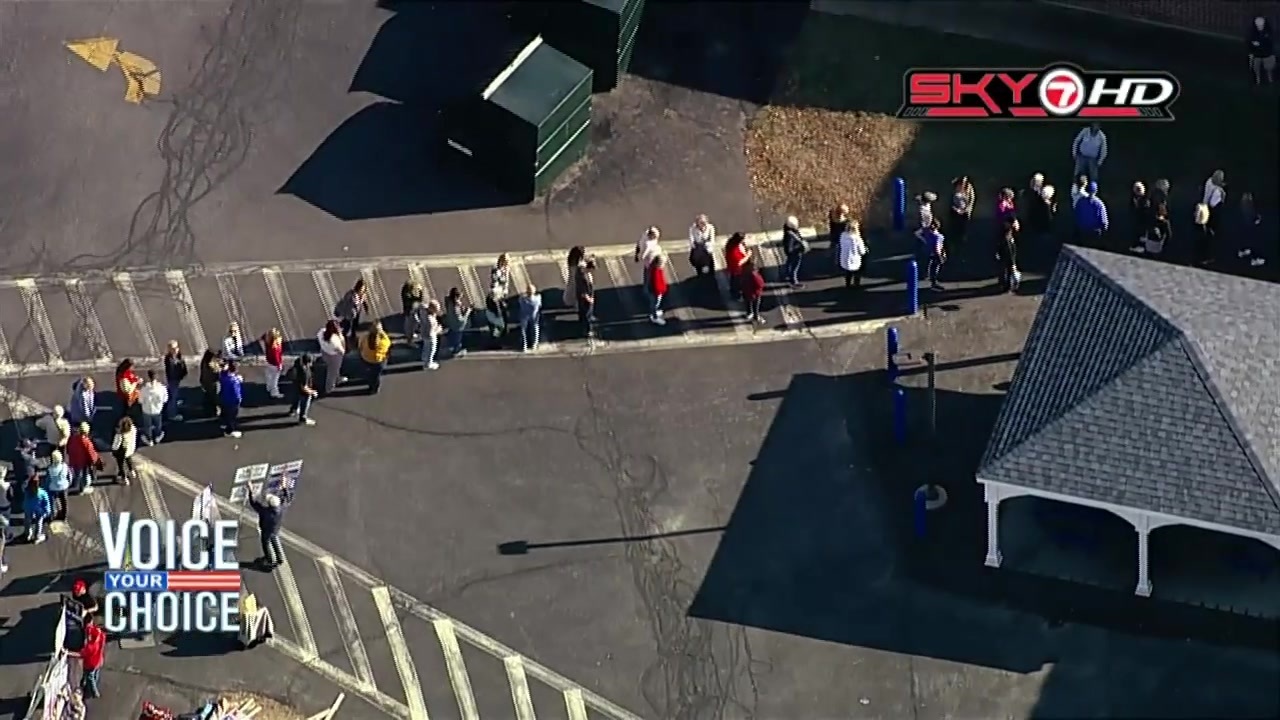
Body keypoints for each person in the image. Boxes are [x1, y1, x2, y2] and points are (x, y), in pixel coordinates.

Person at [68, 614, 107, 698]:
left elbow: (79, 654)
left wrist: (67, 653)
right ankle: (89, 686)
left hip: (90, 664)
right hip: (99, 660)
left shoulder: (90, 647)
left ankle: (94, 692)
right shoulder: (100, 634)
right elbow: (90, 628)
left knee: (90, 677)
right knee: (96, 674)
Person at [248, 491, 286, 570]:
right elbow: (285, 498)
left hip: (266, 531)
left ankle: (269, 559)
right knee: (274, 540)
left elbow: (254, 503)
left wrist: (251, 491)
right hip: (275, 529)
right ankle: (280, 558)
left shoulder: (265, 512)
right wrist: (284, 488)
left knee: (266, 545)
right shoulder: (281, 508)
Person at [67, 422, 100, 495]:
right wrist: (95, 461)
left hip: (74, 460)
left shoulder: (73, 438)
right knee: (84, 475)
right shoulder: (87, 442)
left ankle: (75, 483)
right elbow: (91, 453)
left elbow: (69, 448)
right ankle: (82, 489)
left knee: (77, 473)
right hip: (84, 462)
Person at [359, 322, 391, 393]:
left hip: (366, 358)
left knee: (370, 373)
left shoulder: (365, 338)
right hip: (378, 361)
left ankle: (370, 384)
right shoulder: (383, 342)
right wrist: (382, 333)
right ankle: (375, 388)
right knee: (376, 375)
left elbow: (360, 346)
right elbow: (388, 345)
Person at [1073, 181, 1109, 245]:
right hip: (1095, 231)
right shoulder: (1099, 203)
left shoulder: (1080, 202)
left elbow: (1076, 215)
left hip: (1082, 230)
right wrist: (1104, 230)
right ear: (1096, 191)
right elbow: (1103, 219)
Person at [316, 320, 346, 396]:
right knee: (332, 372)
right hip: (334, 356)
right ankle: (329, 388)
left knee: (334, 369)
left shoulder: (321, 332)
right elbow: (342, 351)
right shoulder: (334, 340)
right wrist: (341, 337)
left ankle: (338, 377)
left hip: (324, 352)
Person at [139, 370, 168, 445]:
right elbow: (165, 399)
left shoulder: (144, 389)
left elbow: (140, 400)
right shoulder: (162, 388)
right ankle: (158, 436)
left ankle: (149, 439)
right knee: (158, 424)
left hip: (147, 410)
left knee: (147, 425)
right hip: (157, 410)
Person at [837, 220, 869, 290]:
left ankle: (847, 284)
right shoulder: (857, 239)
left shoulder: (842, 235)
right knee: (857, 272)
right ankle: (856, 285)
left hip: (845, 258)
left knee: (848, 272)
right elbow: (862, 251)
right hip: (854, 259)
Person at [917, 217, 946, 291]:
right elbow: (937, 247)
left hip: (934, 253)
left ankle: (933, 282)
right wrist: (939, 255)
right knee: (935, 268)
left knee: (933, 268)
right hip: (936, 254)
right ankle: (934, 284)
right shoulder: (936, 236)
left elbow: (917, 233)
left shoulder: (930, 234)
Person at [288, 354, 317, 426]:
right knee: (305, 403)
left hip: (296, 386)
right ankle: (303, 418)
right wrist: (312, 392)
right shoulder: (305, 373)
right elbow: (304, 387)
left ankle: (293, 410)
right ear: (308, 363)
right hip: (303, 392)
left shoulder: (297, 364)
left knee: (296, 398)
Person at [219, 361, 244, 438]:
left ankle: (224, 424)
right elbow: (236, 393)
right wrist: (239, 399)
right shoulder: (234, 381)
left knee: (226, 413)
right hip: (232, 401)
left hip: (224, 398)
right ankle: (229, 431)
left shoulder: (224, 376)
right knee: (232, 416)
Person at [162, 340, 187, 422]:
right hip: (173, 380)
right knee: (172, 396)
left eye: (176, 347)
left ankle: (173, 405)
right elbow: (172, 372)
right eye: (173, 348)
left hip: (177, 379)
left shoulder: (177, 356)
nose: (176, 350)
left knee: (173, 394)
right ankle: (172, 414)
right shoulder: (169, 359)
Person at [948, 176, 974, 251]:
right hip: (955, 212)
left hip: (964, 213)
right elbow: (951, 203)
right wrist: (956, 209)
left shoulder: (969, 190)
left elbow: (971, 202)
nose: (962, 184)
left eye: (964, 183)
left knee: (963, 228)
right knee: (955, 227)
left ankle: (962, 241)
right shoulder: (955, 190)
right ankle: (954, 243)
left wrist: (966, 210)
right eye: (961, 182)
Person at [443, 288, 470, 358]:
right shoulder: (456, 306)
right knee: (457, 338)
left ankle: (451, 348)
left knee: (453, 336)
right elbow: (459, 319)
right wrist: (468, 312)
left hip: (450, 322)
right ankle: (456, 351)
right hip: (457, 325)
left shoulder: (449, 302)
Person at [44, 449, 71, 522]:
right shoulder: (64, 466)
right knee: (64, 502)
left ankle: (52, 516)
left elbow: (47, 480)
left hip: (54, 487)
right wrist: (68, 483)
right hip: (64, 486)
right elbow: (69, 476)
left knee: (52, 502)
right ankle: (64, 516)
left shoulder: (50, 469)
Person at [111, 416, 138, 485]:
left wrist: (113, 450)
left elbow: (116, 445)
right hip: (130, 449)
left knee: (121, 465)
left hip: (121, 451)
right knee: (129, 460)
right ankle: (132, 472)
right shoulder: (133, 430)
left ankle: (124, 478)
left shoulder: (120, 435)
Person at [781, 215, 807, 288]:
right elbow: (790, 248)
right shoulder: (791, 236)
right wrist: (799, 247)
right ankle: (794, 281)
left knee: (789, 263)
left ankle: (787, 275)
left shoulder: (788, 231)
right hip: (795, 253)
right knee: (794, 267)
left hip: (791, 253)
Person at [23, 476, 50, 543]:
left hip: (28, 508)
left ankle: (28, 535)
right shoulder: (42, 493)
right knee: (39, 522)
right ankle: (37, 536)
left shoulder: (26, 491)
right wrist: (47, 511)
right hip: (39, 510)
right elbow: (46, 503)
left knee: (28, 521)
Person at [724, 232, 750, 300]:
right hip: (737, 270)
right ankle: (736, 295)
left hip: (732, 267)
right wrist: (748, 255)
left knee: (734, 280)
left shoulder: (730, 243)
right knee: (737, 282)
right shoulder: (734, 252)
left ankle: (734, 291)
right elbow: (739, 263)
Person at [115, 358, 142, 425]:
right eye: (132, 366)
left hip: (126, 396)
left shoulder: (124, 372)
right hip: (126, 397)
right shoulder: (123, 376)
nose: (133, 368)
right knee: (127, 411)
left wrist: (135, 379)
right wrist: (136, 382)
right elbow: (128, 390)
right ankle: (126, 423)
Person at [996, 219, 1020, 293]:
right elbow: (1010, 250)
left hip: (1005, 257)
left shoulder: (1006, 235)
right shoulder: (1008, 237)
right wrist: (1013, 262)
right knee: (1007, 272)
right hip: (1007, 258)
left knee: (1005, 272)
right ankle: (1007, 286)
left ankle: (1005, 286)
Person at [1249, 16, 1275, 85]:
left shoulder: (1268, 31)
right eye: (1258, 25)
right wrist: (1253, 44)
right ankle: (1257, 80)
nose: (1259, 26)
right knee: (1256, 68)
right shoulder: (1253, 31)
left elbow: (1270, 42)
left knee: (1268, 69)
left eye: (1260, 25)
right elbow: (1250, 40)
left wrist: (1260, 43)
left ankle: (1270, 80)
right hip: (1257, 54)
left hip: (1266, 54)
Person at [1202, 170, 1226, 243]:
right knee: (1211, 219)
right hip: (1211, 205)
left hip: (1215, 204)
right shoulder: (1210, 185)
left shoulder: (1212, 182)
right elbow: (1207, 196)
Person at [261, 328, 285, 400]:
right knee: (275, 379)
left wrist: (268, 333)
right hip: (274, 365)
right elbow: (276, 357)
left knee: (269, 376)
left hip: (269, 362)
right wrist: (279, 365)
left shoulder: (268, 342)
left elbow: (263, 337)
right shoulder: (276, 347)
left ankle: (268, 388)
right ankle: (274, 392)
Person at [517, 286, 543, 351]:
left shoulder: (522, 299)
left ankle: (524, 345)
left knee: (523, 331)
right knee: (535, 329)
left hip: (524, 316)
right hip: (534, 316)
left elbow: (520, 301)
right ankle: (534, 344)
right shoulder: (538, 298)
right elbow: (540, 305)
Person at [740, 259, 766, 324]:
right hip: (755, 294)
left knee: (748, 303)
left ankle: (749, 313)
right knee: (756, 306)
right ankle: (756, 317)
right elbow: (761, 284)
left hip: (746, 292)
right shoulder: (755, 276)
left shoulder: (745, 273)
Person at [1127, 181, 1150, 253]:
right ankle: (1136, 245)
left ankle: (1142, 246)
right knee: (1136, 233)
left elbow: (1146, 209)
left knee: (1142, 233)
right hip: (1136, 220)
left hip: (1143, 220)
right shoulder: (1134, 198)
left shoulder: (1145, 200)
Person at [645, 254, 668, 326]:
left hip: (653, 291)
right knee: (655, 304)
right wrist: (660, 291)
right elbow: (656, 284)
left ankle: (654, 313)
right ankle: (654, 317)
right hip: (655, 292)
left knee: (655, 303)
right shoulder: (656, 272)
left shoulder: (654, 268)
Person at [576, 258, 597, 336]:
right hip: (585, 298)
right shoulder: (583, 277)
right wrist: (589, 298)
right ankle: (588, 330)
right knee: (586, 313)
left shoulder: (585, 273)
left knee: (586, 312)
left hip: (588, 295)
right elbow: (583, 291)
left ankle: (584, 321)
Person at [420, 300, 443, 369]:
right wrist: (438, 329)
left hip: (423, 333)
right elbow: (431, 330)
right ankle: (428, 363)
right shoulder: (430, 319)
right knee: (432, 349)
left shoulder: (424, 311)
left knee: (426, 347)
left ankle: (425, 359)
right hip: (430, 336)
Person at [199, 349, 222, 417]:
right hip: (212, 383)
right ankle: (214, 411)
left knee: (207, 396)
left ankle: (207, 410)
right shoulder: (211, 365)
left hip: (205, 382)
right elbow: (217, 373)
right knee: (214, 398)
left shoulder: (204, 362)